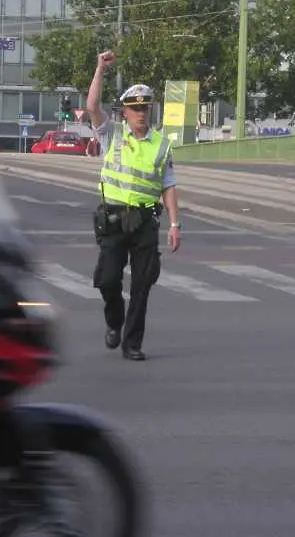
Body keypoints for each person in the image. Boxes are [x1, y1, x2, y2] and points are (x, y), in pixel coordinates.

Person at [86, 50, 182, 362]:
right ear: (125, 112)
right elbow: (92, 107)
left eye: (145, 108)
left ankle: (132, 343)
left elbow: (168, 184)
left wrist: (175, 224)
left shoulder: (161, 144)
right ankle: (114, 321)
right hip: (114, 220)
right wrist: (100, 70)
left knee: (142, 285)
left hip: (144, 223)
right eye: (135, 108)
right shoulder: (111, 133)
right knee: (108, 280)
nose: (141, 113)